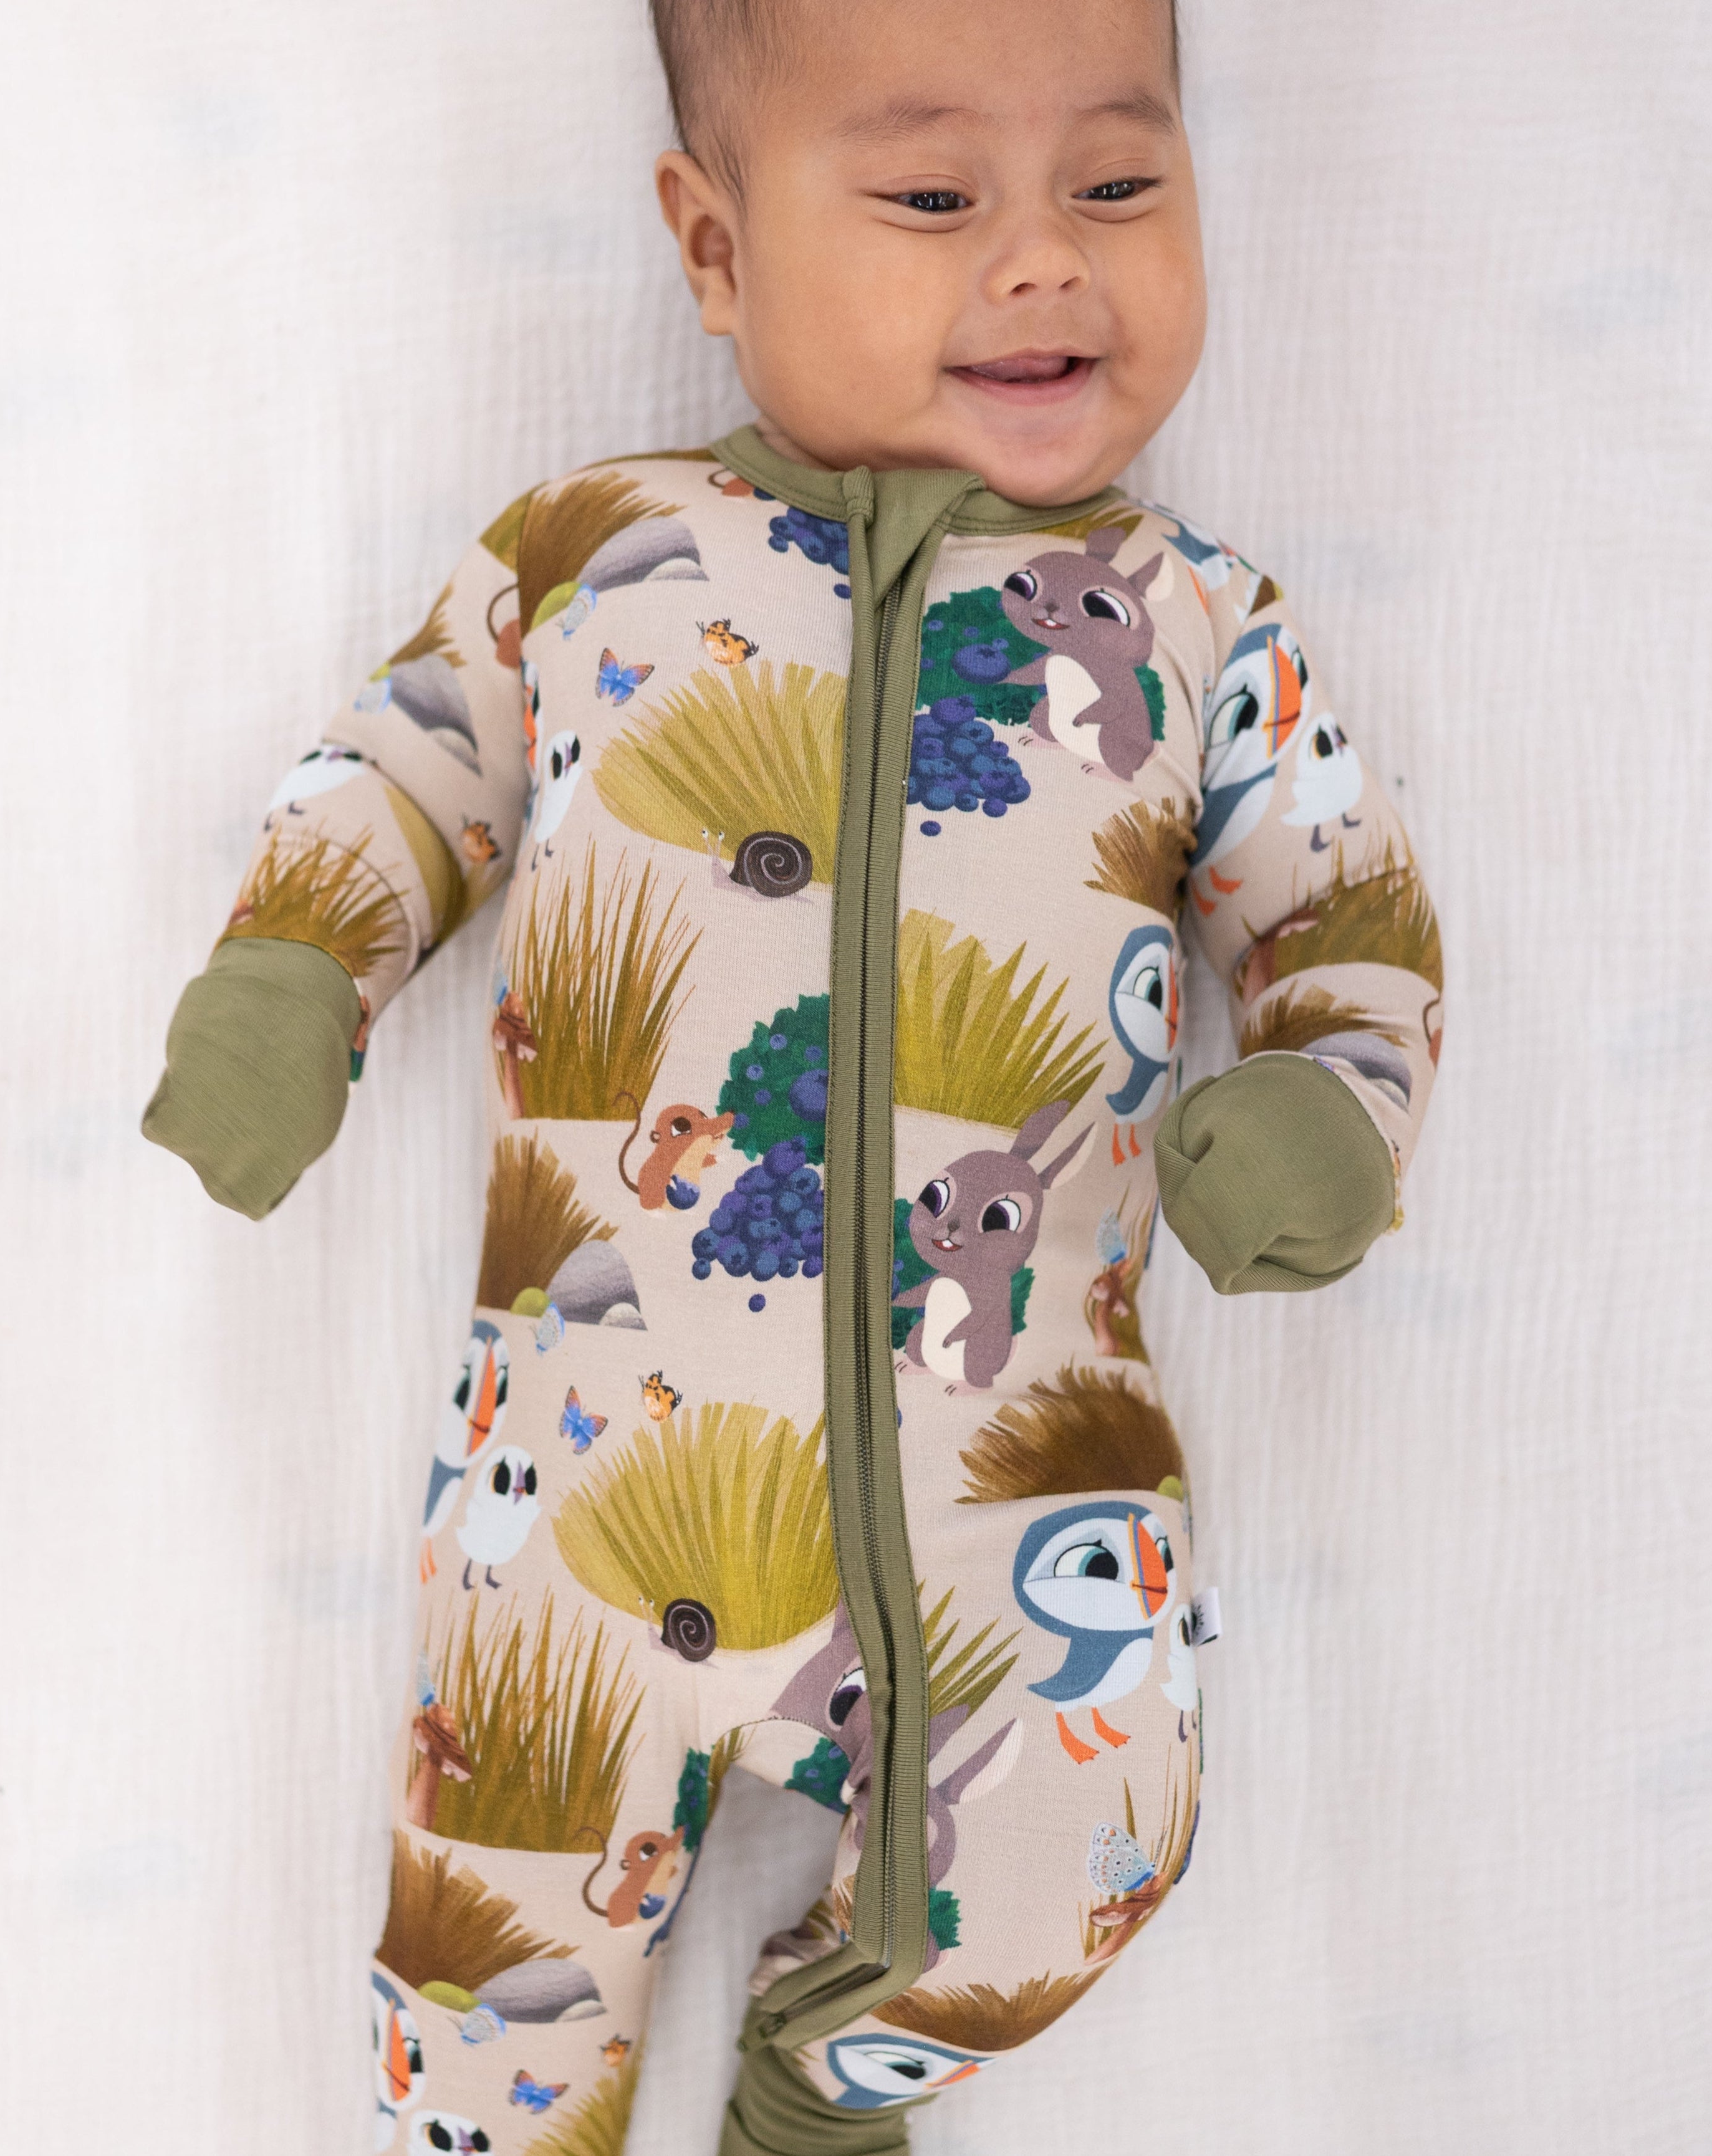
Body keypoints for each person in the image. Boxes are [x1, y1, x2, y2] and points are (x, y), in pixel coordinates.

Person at [143, 3, 1441, 2149]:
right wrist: (296, 968)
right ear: (715, 247)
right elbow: (408, 766)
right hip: (588, 1481)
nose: (1043, 257)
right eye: (932, 195)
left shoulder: (1196, 621)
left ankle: (823, 2077)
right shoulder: (590, 557)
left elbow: (1346, 914)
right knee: (484, 1950)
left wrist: (1326, 1099)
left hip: (1019, 1493)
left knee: (1091, 1852)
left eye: (1119, 183)